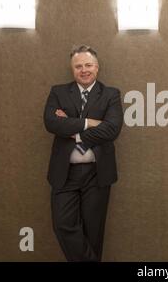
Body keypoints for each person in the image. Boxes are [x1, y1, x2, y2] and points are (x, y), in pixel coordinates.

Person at [43, 45, 123, 261]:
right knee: (63, 225)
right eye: (78, 66)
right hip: (65, 174)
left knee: (93, 233)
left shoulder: (111, 94)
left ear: (97, 67)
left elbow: (112, 129)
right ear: (72, 69)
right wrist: (89, 123)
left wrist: (74, 132)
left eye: (88, 65)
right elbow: (51, 122)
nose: (84, 70)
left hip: (97, 174)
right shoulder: (58, 92)